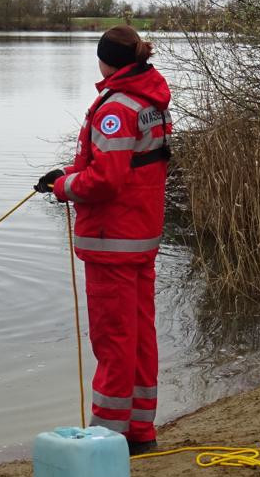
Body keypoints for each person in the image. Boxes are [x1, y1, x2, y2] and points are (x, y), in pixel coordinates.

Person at [34, 25, 172, 455]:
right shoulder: (151, 99)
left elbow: (107, 179)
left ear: (106, 59)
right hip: (140, 234)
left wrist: (62, 187)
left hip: (114, 238)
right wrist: (69, 175)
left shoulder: (118, 106)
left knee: (113, 339)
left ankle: (108, 440)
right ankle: (140, 430)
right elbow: (127, 166)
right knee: (138, 336)